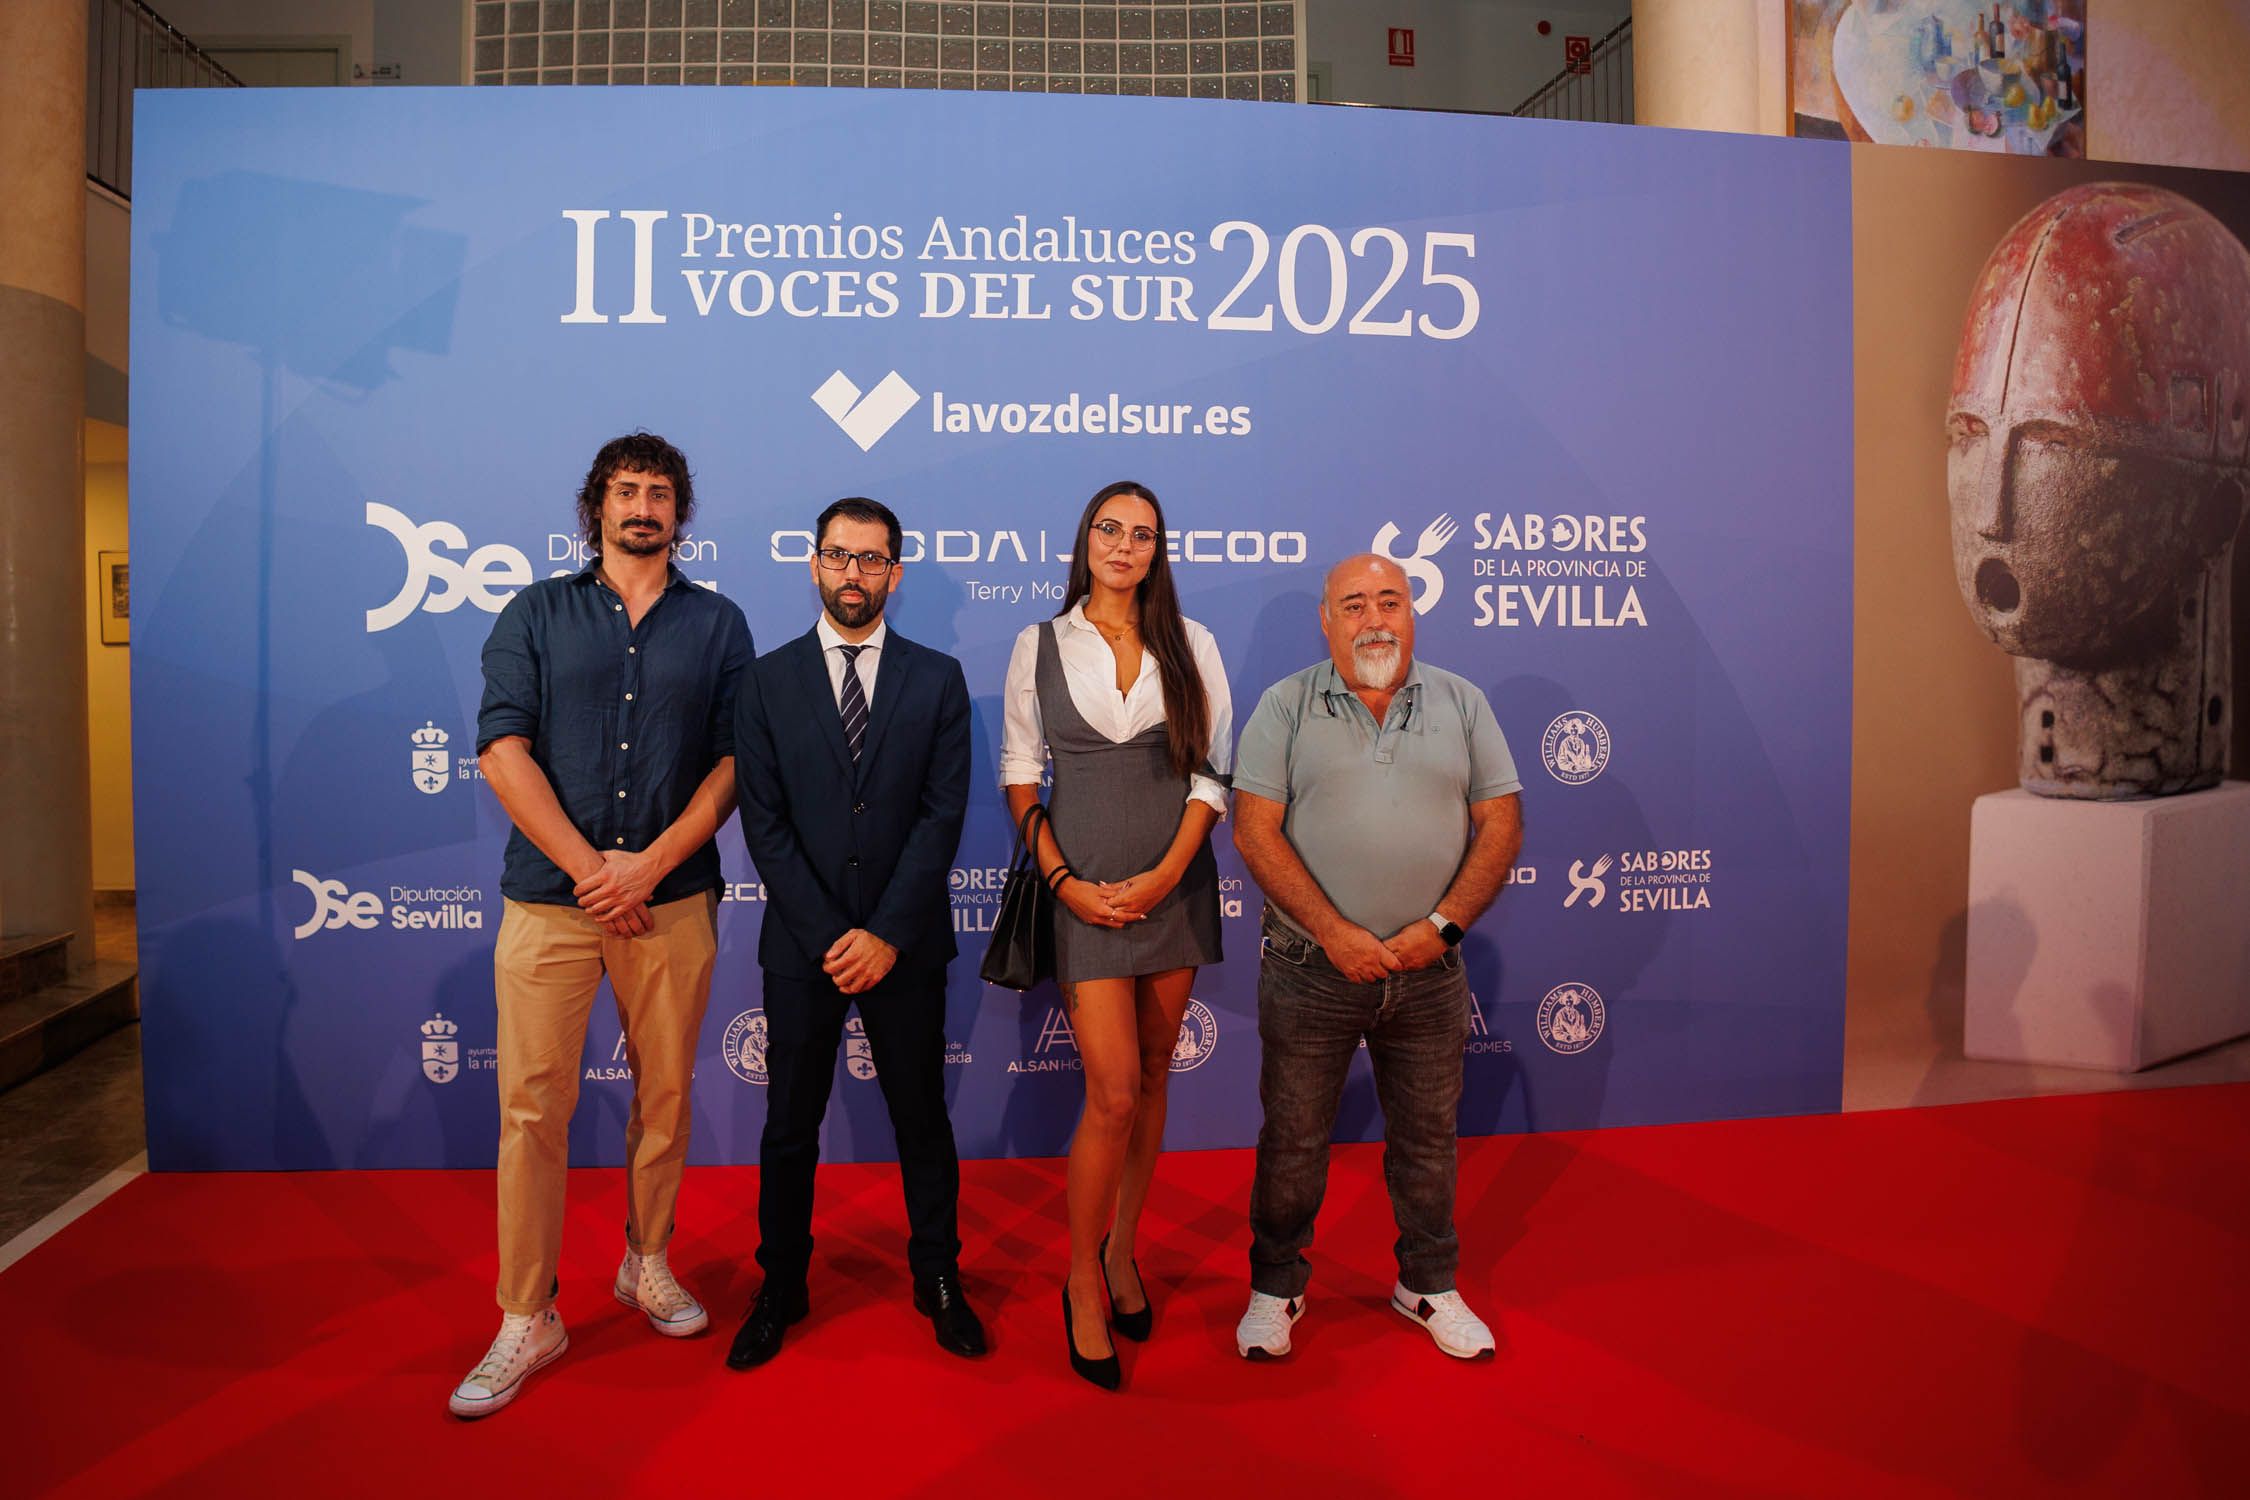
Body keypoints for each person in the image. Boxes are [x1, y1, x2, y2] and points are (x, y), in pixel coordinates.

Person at [451, 432, 752, 1418]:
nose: (643, 507)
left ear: (680, 513)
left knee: (663, 1096)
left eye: (660, 493)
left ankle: (646, 1262)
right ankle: (525, 1315)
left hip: (673, 903)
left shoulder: (717, 626)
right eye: (626, 491)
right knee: (532, 1110)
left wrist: (651, 866)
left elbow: (732, 763)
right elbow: (501, 750)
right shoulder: (534, 611)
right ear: (596, 508)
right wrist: (594, 872)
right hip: (551, 902)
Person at [1229, 553, 1523, 1362]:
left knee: (1428, 1140)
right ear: (1326, 620)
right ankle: (1275, 1287)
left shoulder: (1462, 701)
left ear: (1412, 612)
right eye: (1353, 604)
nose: (1374, 619)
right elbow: (1253, 829)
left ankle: (1427, 1284)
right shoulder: (1284, 706)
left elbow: (1501, 824)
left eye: (1389, 601)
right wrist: (1332, 930)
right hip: (1308, 968)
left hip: (1429, 973)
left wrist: (1445, 926)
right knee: (1293, 1141)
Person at [726, 496, 984, 1369]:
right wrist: (834, 934)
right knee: (789, 1127)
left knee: (921, 1120)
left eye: (872, 560)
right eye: (839, 556)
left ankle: (940, 1277)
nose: (853, 573)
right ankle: (781, 1282)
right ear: (813, 563)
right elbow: (765, 826)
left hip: (905, 945)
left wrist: (884, 934)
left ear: (895, 574)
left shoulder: (939, 679)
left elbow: (941, 818)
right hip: (802, 947)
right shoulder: (763, 682)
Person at [999, 480, 1232, 1390]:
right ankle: (1081, 1277)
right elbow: (1022, 777)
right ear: (1084, 539)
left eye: (1142, 534)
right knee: (1114, 1092)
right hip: (1082, 890)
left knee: (1159, 1064)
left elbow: (1212, 772)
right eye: (1110, 529)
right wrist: (1065, 885)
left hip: (1174, 883)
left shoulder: (1191, 642)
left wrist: (1171, 873)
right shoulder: (1040, 643)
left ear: (1158, 550)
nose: (1124, 546)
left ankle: (1126, 1250)